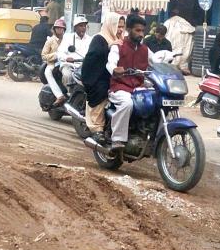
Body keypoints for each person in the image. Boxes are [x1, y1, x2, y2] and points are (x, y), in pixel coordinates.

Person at [106, 14, 154, 150]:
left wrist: (171, 65)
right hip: (120, 86)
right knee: (127, 103)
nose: (141, 34)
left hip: (139, 87)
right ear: (129, 29)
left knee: (157, 100)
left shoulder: (145, 49)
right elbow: (110, 63)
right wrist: (115, 69)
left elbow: (157, 61)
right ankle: (117, 139)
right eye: (137, 30)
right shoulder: (118, 46)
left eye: (143, 31)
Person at [82, 13, 125, 142]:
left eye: (122, 27)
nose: (120, 30)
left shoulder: (122, 40)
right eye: (118, 26)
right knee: (101, 91)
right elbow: (93, 59)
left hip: (118, 76)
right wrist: (110, 46)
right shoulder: (99, 39)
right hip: (98, 76)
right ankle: (97, 128)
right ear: (110, 25)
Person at [56, 15, 92, 87]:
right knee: (67, 75)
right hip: (70, 65)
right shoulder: (67, 37)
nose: (83, 28)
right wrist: (66, 58)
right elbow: (60, 52)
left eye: (85, 26)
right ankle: (70, 95)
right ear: (75, 27)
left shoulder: (90, 39)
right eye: (81, 26)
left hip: (84, 67)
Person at [41, 18, 67, 105]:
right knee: (48, 72)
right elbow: (44, 55)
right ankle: (59, 96)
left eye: (61, 28)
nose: (60, 30)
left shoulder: (68, 39)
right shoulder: (50, 41)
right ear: (54, 29)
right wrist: (56, 55)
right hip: (53, 64)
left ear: (64, 29)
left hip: (67, 62)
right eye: (58, 28)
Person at [163, 9, 194, 75]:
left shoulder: (168, 22)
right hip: (180, 45)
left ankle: (172, 68)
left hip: (173, 44)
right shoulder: (184, 22)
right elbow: (191, 29)